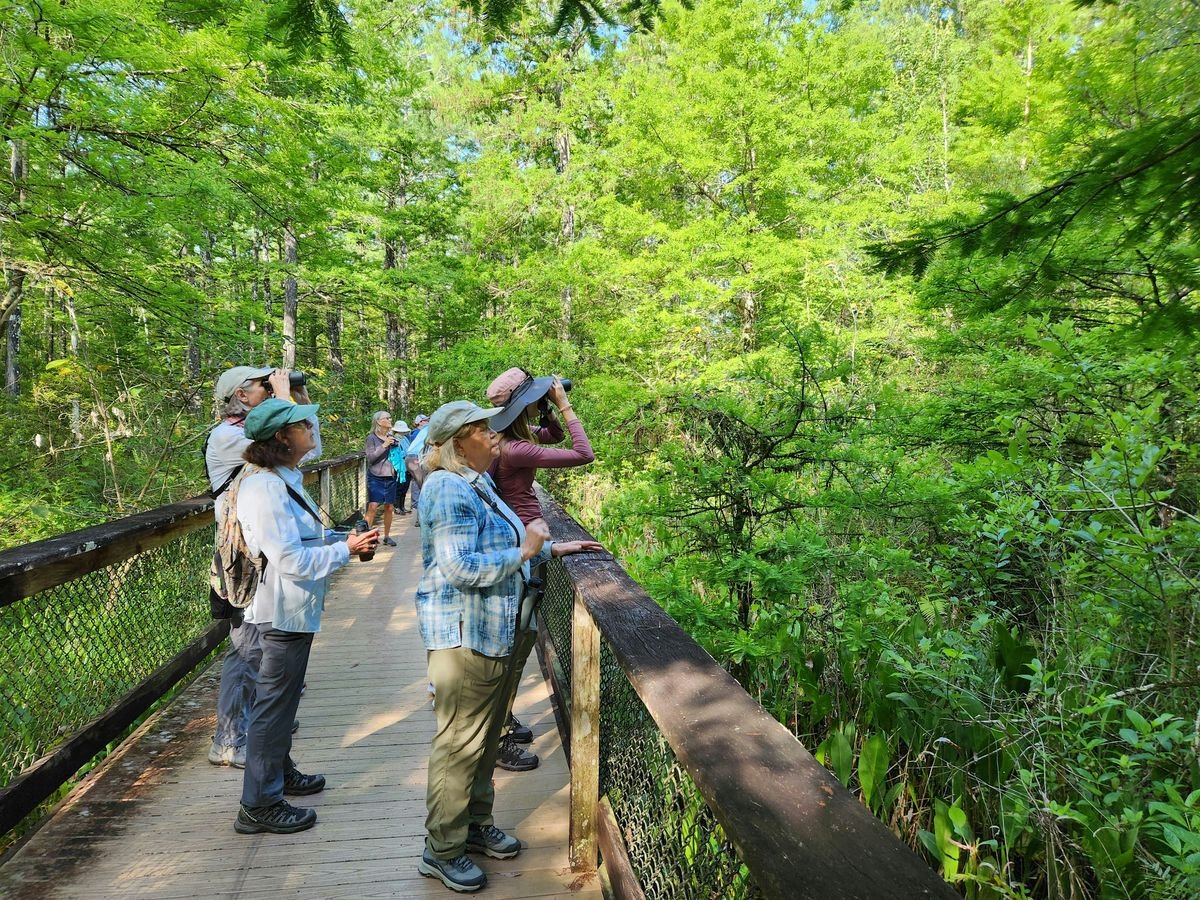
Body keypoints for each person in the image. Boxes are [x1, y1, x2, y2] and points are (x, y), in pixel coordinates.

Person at [413, 400, 600, 892]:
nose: (493, 436)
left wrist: (553, 548)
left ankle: (473, 826)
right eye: (482, 430)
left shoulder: (476, 481)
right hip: (465, 633)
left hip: (495, 628)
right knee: (459, 743)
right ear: (458, 442)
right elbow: (461, 568)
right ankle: (441, 848)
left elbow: (507, 535)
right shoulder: (448, 489)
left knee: (484, 738)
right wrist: (526, 552)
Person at [233, 398, 379, 835]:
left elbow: (302, 539)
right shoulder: (265, 489)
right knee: (272, 709)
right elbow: (289, 559)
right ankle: (258, 804)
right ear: (282, 437)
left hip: (293, 611)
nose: (312, 430)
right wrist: (345, 550)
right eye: (303, 425)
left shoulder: (283, 479)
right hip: (278, 615)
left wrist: (340, 540)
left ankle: (280, 774)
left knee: (281, 703)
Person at [206, 365, 320, 769]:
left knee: (255, 653)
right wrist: (285, 397)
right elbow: (282, 443)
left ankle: (255, 734)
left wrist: (298, 399)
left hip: (264, 555)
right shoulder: (226, 436)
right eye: (262, 385)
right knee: (248, 654)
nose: (269, 388)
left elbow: (310, 447)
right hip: (244, 560)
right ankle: (232, 740)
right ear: (240, 394)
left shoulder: (252, 430)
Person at [484, 368, 595, 771]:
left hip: (525, 544)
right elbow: (584, 453)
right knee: (516, 646)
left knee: (517, 641)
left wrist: (547, 412)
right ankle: (495, 738)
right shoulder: (514, 449)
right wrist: (564, 405)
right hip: (528, 549)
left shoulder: (509, 440)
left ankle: (502, 721)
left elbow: (553, 438)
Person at [364, 411, 399, 547]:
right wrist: (384, 445)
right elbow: (371, 458)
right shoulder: (371, 438)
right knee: (372, 506)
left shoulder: (391, 436)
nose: (390, 419)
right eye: (387, 418)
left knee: (389, 507)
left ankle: (387, 536)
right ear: (378, 421)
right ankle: (366, 536)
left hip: (390, 476)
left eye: (390, 417)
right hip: (375, 476)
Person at [406, 413, 430, 526]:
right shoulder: (430, 429)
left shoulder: (423, 430)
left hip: (410, 458)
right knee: (424, 488)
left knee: (418, 485)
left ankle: (419, 516)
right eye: (425, 420)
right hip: (416, 458)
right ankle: (421, 518)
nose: (427, 421)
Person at [390, 420, 413, 514]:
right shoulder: (394, 439)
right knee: (399, 488)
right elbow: (395, 454)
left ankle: (402, 506)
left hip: (407, 466)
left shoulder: (405, 439)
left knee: (405, 487)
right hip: (399, 467)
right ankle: (397, 507)